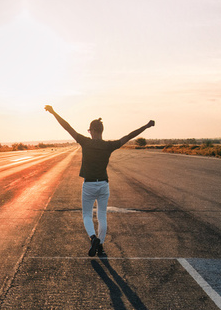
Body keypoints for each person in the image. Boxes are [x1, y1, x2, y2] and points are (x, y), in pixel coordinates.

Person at [45, 105, 155, 257]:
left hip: (89, 184)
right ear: (102, 131)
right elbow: (129, 136)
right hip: (103, 184)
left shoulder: (85, 142)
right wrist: (146, 126)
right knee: (102, 215)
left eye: (89, 131)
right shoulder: (109, 145)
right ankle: (101, 247)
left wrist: (53, 112)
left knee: (87, 215)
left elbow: (67, 127)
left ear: (92, 130)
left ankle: (93, 238)